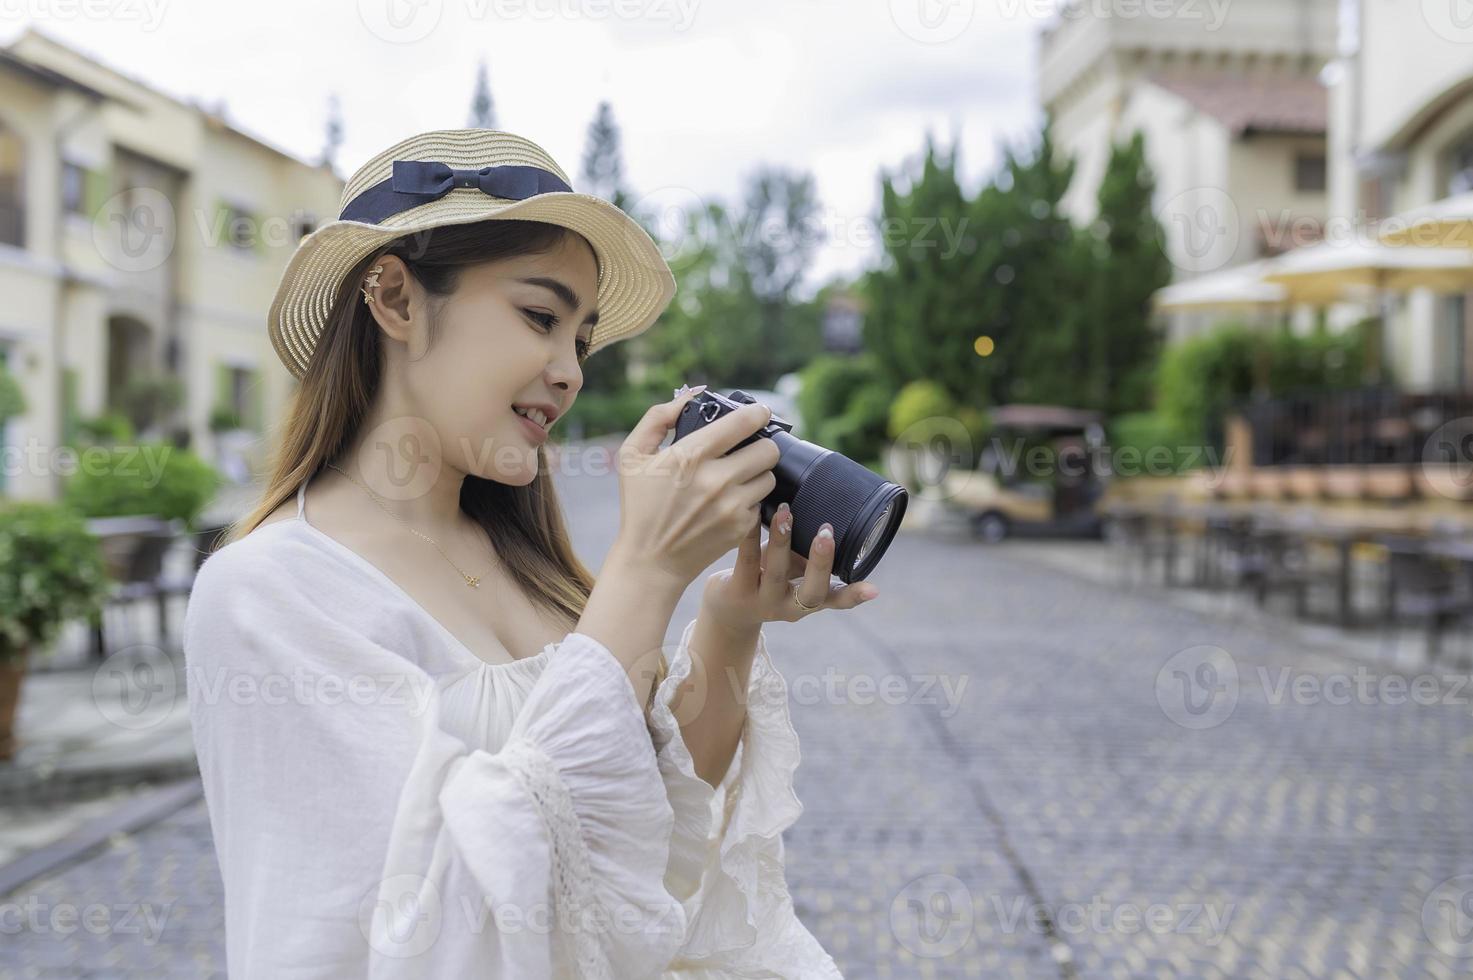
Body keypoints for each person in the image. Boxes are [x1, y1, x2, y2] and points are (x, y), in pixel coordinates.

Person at [183, 128, 878, 978]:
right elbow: (414, 932)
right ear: (396, 299)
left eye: (580, 340)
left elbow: (642, 849)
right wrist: (646, 570)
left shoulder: (534, 569)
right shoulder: (267, 592)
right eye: (540, 317)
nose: (568, 370)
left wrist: (726, 620)